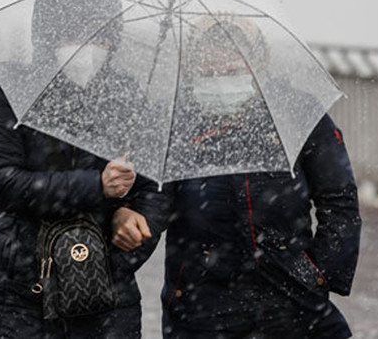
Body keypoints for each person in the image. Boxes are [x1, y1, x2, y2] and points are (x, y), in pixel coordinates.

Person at [113, 18, 362, 338]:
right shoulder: (173, 119)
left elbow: (339, 199)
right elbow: (153, 203)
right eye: (210, 71)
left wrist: (317, 273)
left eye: (233, 70)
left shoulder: (295, 112)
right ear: (191, 65)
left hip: (291, 300)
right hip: (200, 306)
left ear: (259, 60)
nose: (220, 78)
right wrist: (125, 219)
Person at [0, 0, 159, 339]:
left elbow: (156, 183)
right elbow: (0, 182)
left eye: (99, 33)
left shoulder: (126, 92)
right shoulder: (7, 87)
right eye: (72, 31)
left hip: (108, 299)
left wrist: (132, 224)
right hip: (18, 295)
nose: (88, 46)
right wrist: (96, 187)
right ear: (47, 29)